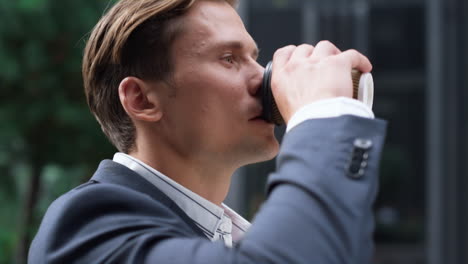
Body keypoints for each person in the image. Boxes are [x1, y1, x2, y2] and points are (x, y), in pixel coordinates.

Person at [28, 0, 387, 263]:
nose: (260, 77)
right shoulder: (87, 228)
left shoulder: (229, 236)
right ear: (141, 99)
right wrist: (322, 116)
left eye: (253, 57)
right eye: (228, 58)